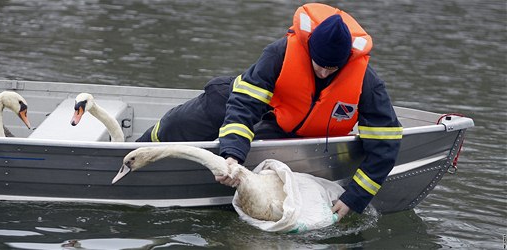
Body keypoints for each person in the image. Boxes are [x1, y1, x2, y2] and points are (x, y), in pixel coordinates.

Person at [137, 3, 402, 221]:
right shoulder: (280, 53)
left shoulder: (367, 82)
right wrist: (232, 154)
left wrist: (354, 197)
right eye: (318, 65)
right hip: (247, 102)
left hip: (286, 131)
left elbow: (386, 143)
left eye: (331, 69)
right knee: (185, 120)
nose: (323, 72)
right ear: (309, 48)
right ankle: (135, 148)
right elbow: (244, 105)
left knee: (259, 146)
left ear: (346, 61)